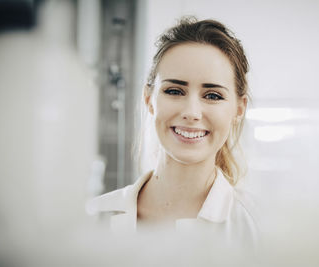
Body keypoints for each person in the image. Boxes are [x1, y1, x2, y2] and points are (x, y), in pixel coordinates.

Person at [87, 17, 258, 246]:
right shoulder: (94, 218)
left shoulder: (255, 227)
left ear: (239, 109)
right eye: (175, 91)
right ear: (148, 99)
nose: (192, 112)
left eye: (213, 95)